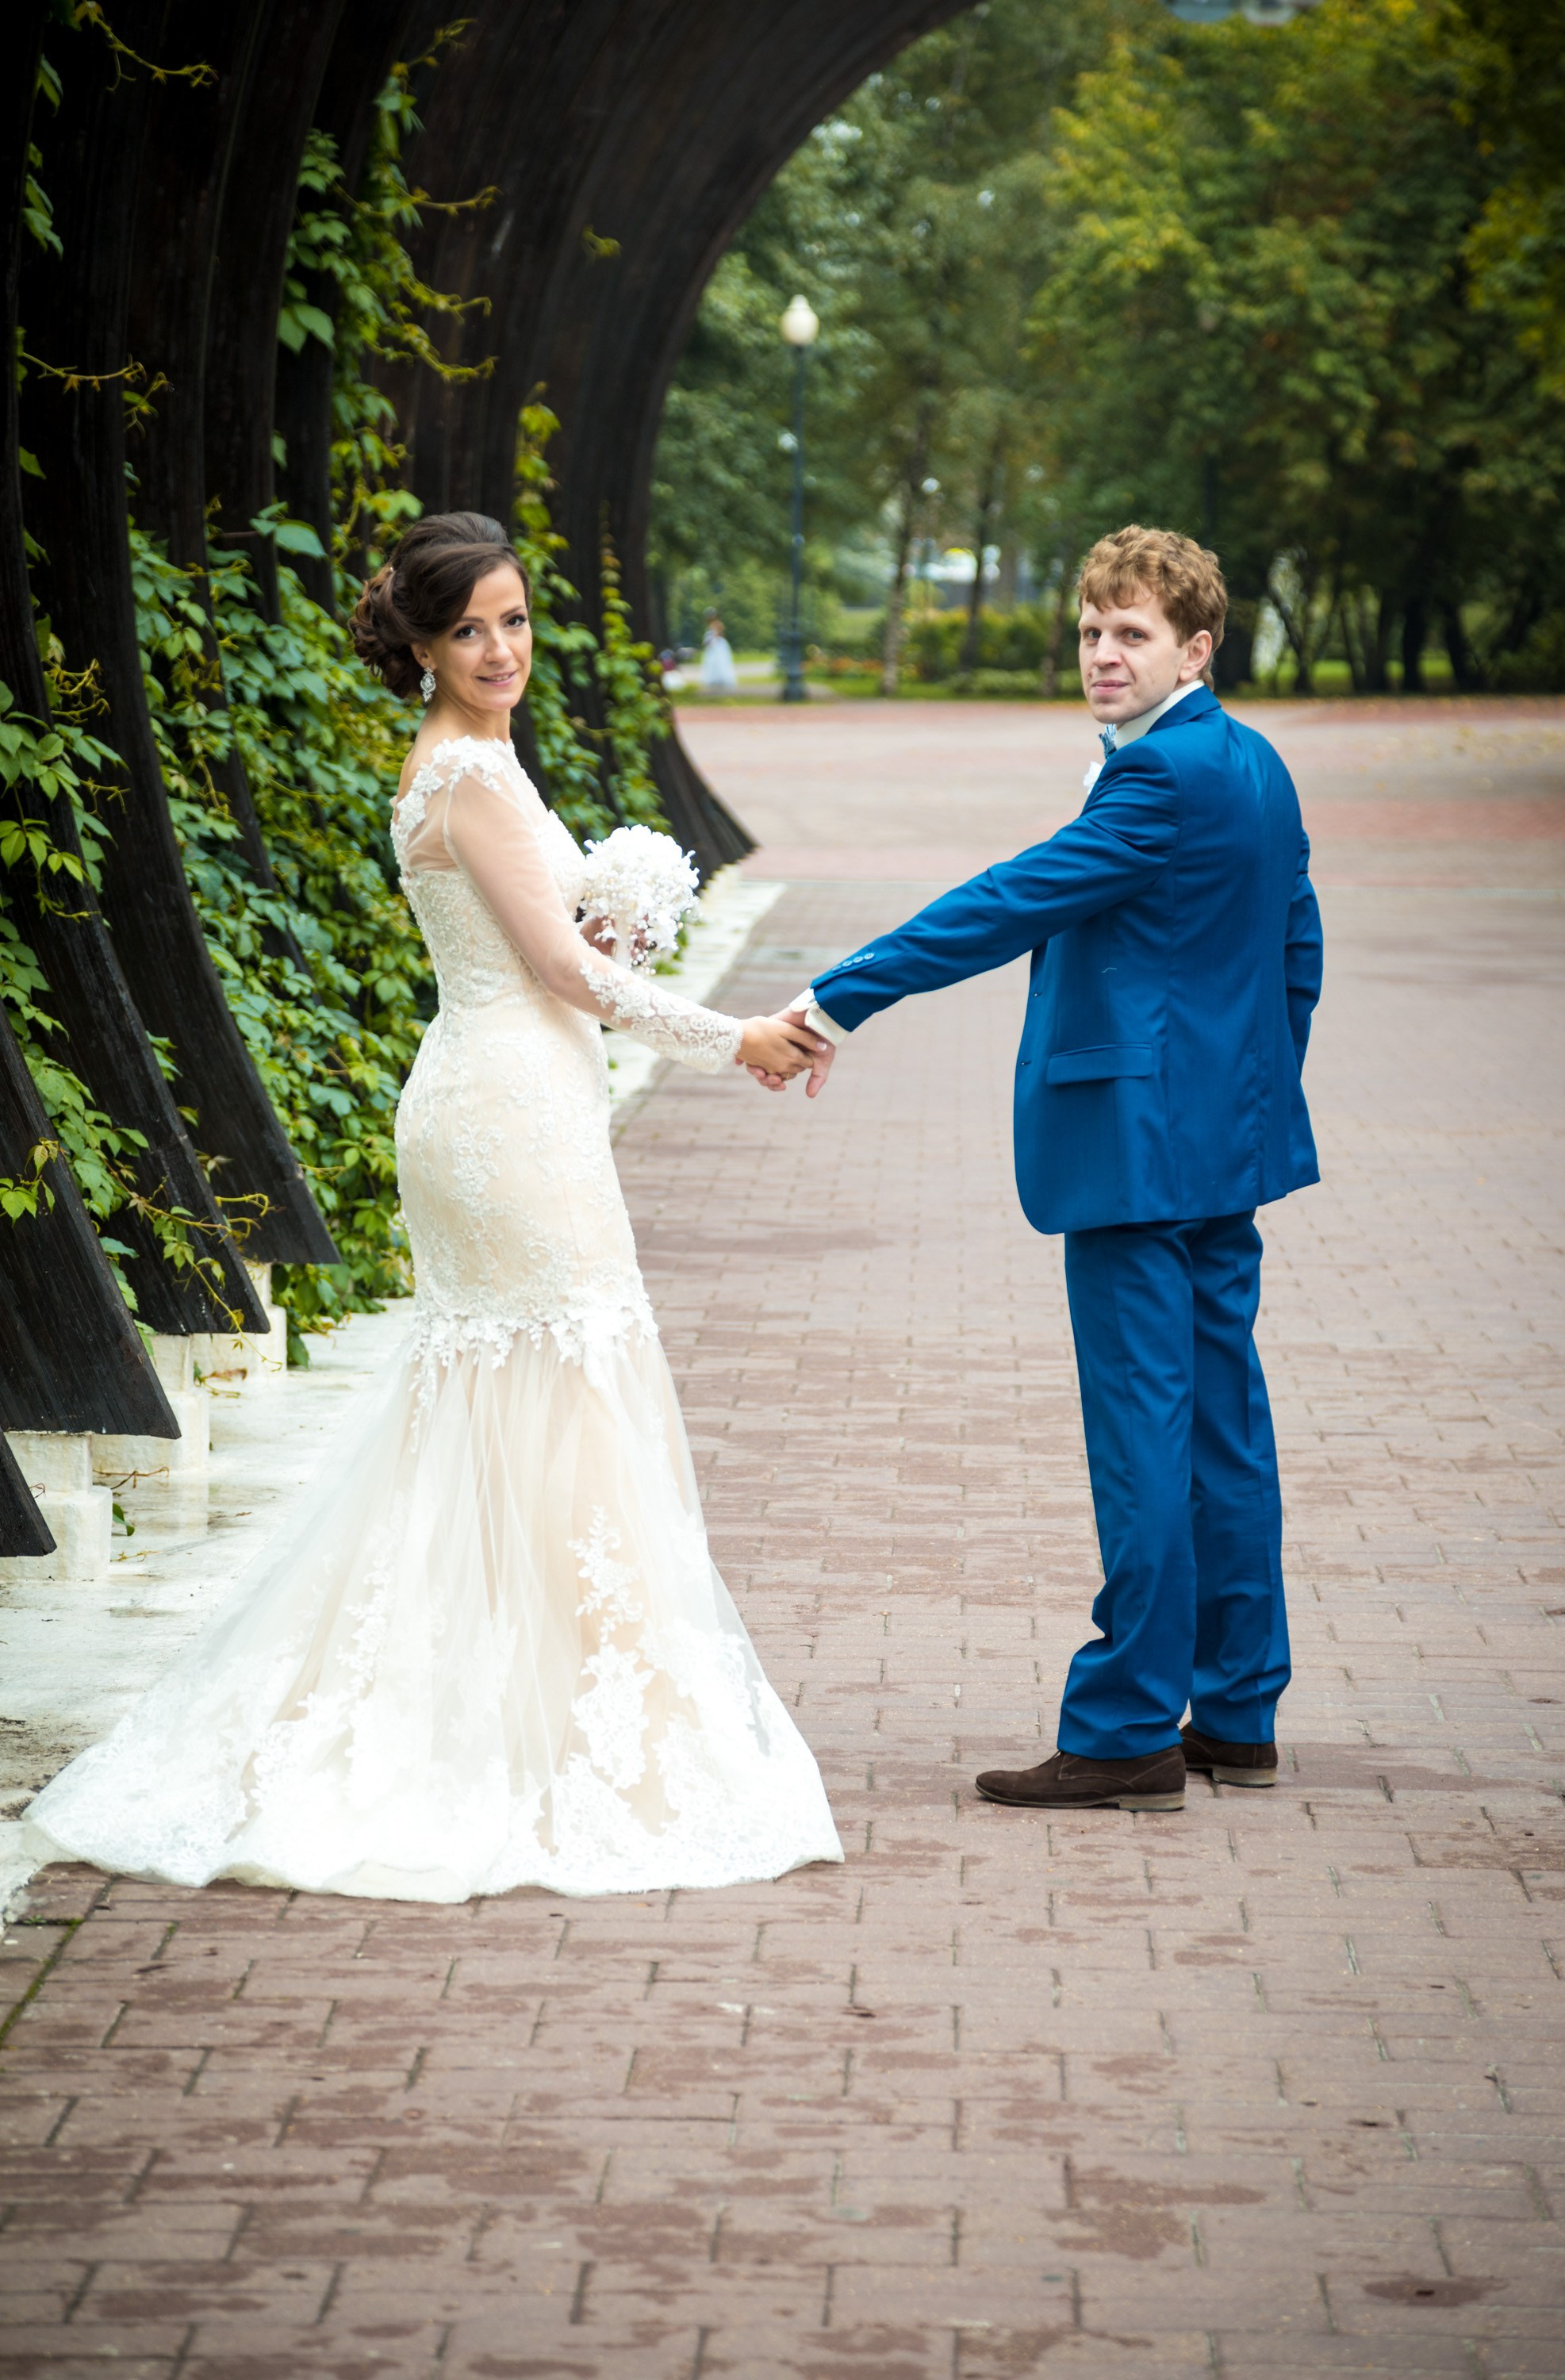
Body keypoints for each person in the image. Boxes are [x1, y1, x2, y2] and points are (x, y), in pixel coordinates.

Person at [24, 511, 842, 1902]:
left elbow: (557, 954)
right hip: (504, 1114)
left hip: (510, 1097)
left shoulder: (479, 764)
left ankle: (534, 1699)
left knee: (518, 1400)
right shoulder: (463, 775)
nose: (501, 649)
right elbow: (564, 980)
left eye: (515, 620)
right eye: (470, 629)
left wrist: (618, 920)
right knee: (565, 1390)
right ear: (418, 643)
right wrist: (737, 1037)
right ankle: (563, 1728)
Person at [764, 527, 1323, 1815]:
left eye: (1132, 633)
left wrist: (833, 1002)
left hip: (1136, 1155)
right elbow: (1296, 948)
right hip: (1218, 1149)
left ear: (1196, 646)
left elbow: (1005, 902)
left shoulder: (1161, 782)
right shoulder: (1253, 763)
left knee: (1146, 1436)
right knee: (1222, 1426)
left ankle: (1127, 1724)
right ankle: (1236, 1708)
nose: (1103, 654)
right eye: (1090, 629)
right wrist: (1241, 1094)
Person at [699, 612, 737, 693]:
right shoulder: (710, 626)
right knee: (712, 662)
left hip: (718, 645)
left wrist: (712, 641)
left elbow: (718, 635)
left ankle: (721, 679)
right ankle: (714, 680)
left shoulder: (718, 624)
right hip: (713, 646)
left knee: (720, 662)